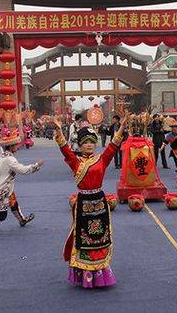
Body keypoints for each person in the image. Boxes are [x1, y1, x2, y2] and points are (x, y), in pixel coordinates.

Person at [52, 117, 127, 289]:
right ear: (80, 144)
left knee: (100, 237)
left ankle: (100, 272)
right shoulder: (75, 161)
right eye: (85, 143)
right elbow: (64, 148)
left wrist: (122, 127)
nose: (89, 145)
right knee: (84, 238)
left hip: (99, 203)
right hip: (84, 203)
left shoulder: (102, 159)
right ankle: (85, 273)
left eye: (92, 142)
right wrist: (58, 130)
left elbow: (113, 145)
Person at [0, 131, 44, 239]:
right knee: (2, 215)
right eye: (15, 145)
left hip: (3, 189)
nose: (17, 147)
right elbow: (23, 170)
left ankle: (22, 220)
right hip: (2, 191)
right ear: (11, 147)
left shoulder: (1, 157)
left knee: (14, 203)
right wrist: (36, 165)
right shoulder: (10, 159)